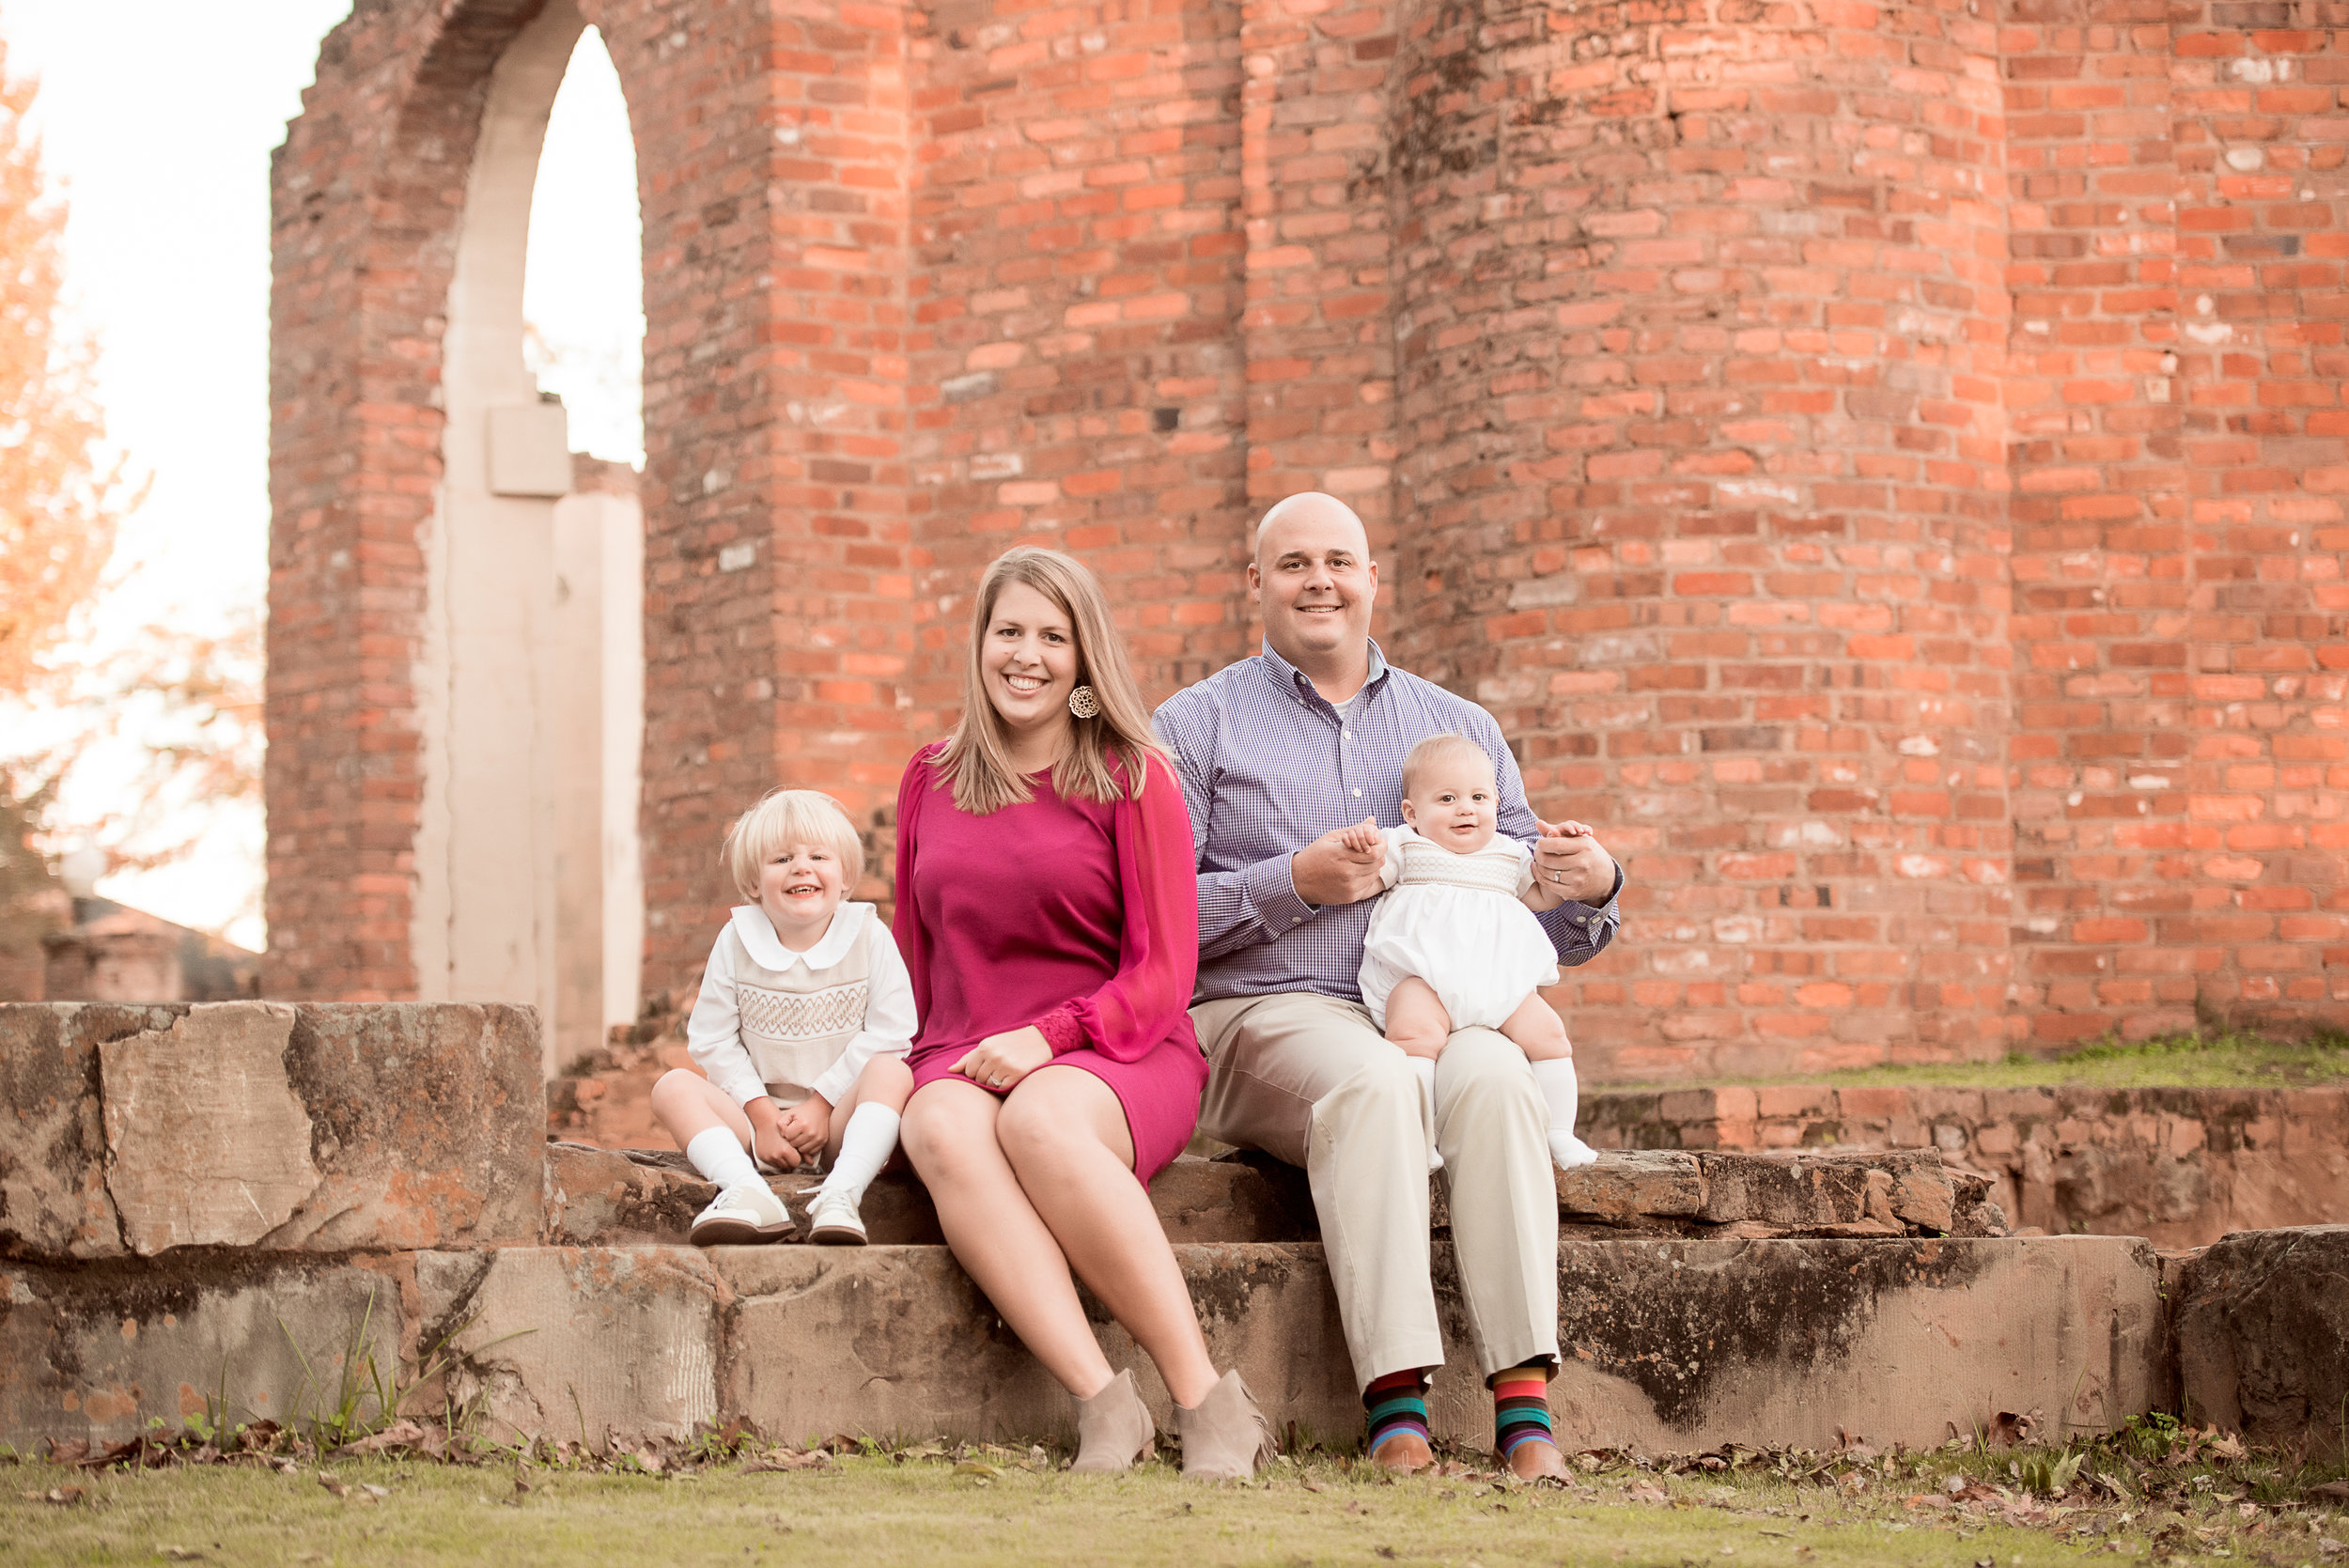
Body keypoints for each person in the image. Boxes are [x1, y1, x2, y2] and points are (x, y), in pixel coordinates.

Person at [1154, 491, 1624, 1480]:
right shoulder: (1194, 725)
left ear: (1373, 579)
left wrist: (1593, 887)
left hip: (1441, 1011)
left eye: (1338, 560)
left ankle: (1523, 1402)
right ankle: (1396, 1401)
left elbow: (1525, 893)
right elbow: (1150, 919)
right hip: (1265, 1015)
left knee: (1495, 1077)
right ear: (1256, 584)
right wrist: (1292, 884)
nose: (1317, 580)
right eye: (1292, 564)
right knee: (1372, 1081)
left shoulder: (1458, 727)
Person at [892, 546, 1273, 1481]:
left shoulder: (1130, 775)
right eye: (1008, 630)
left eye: (1051, 636)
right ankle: (1105, 1402)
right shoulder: (930, 777)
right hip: (964, 1049)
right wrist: (863, 1082)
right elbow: (906, 961)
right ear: (980, 643)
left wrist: (1050, 1037)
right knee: (936, 1122)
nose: (1026, 653)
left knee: (1043, 1115)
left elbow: (1164, 972)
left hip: (1120, 1046)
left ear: (1082, 656)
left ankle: (1204, 1399)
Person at [649, 789, 916, 1247]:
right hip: (755, 1120)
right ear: (754, 883)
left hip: (835, 1122)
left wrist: (822, 1104)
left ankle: (840, 1195)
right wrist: (763, 1117)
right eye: (781, 859)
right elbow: (712, 1039)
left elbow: (892, 1031)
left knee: (891, 1072)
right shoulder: (735, 940)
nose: (801, 867)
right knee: (671, 1087)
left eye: (818, 856)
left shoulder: (869, 936)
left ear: (846, 876)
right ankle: (745, 1190)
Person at [1337, 731, 1603, 1174]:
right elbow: (1365, 876)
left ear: (1497, 804)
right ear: (1412, 813)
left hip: (1497, 981)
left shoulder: (1511, 855)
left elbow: (1544, 897)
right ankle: (1416, 1135)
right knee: (1414, 1037)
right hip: (1424, 978)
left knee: (1551, 1036)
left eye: (1479, 797)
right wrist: (1362, 845)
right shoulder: (1407, 844)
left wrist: (1563, 850)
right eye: (1447, 798)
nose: (1466, 808)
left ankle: (1559, 1131)